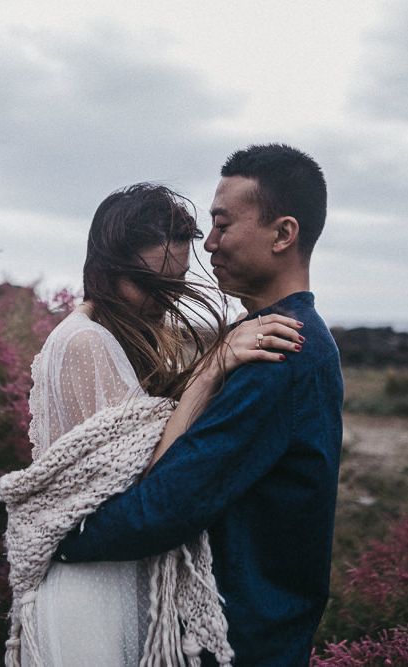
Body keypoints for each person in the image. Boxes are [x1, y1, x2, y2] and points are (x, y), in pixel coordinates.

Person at [54, 144, 344, 666]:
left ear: (283, 234)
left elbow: (167, 506)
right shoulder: (262, 338)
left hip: (243, 644)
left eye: (222, 224)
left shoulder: (279, 349)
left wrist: (65, 539)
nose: (208, 245)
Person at [0, 182, 303, 666]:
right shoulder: (85, 343)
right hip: (92, 594)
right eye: (150, 284)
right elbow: (143, 488)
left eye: (176, 283)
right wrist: (207, 376)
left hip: (117, 580)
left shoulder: (120, 335)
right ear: (104, 266)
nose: (164, 300)